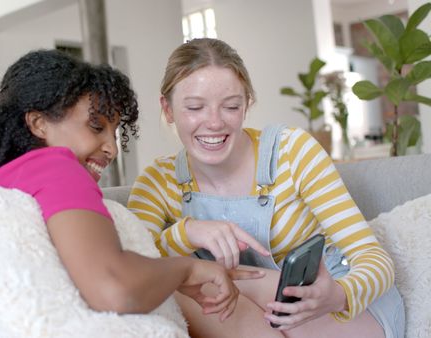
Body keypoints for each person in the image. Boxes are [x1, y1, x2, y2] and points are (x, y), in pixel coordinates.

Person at [0, 49, 264, 338]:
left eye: (116, 133)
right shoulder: (56, 166)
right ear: (39, 123)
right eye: (96, 126)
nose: (111, 148)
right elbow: (114, 287)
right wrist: (187, 269)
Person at [128, 38, 404, 338]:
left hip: (338, 312)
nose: (214, 122)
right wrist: (188, 231)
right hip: (249, 319)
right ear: (167, 109)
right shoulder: (156, 182)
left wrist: (337, 294)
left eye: (231, 106)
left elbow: (375, 260)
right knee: (192, 290)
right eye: (195, 107)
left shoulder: (292, 152)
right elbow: (129, 271)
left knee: (218, 283)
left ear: (247, 105)